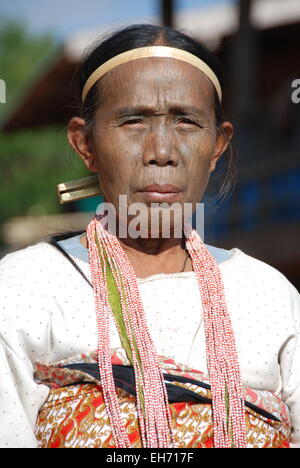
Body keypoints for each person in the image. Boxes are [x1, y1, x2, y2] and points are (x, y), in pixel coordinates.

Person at [0, 24, 299, 449]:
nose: (161, 150)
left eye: (187, 122)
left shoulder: (270, 297)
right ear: (85, 144)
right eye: (133, 121)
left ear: (218, 145)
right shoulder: (24, 288)